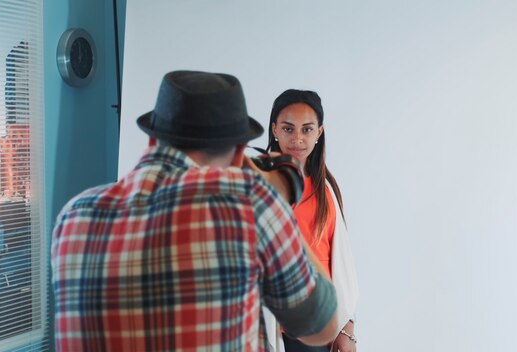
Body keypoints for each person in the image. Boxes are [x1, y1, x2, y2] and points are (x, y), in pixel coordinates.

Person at [51, 71, 341, 351]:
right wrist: (278, 199)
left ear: (154, 139)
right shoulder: (252, 204)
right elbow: (323, 325)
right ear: (240, 153)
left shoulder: (73, 216)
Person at [265, 89, 360, 352]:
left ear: (319, 133)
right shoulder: (260, 186)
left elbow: (338, 264)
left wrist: (347, 328)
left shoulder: (325, 192)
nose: (297, 138)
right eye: (288, 129)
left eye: (306, 130)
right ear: (275, 130)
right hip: (267, 324)